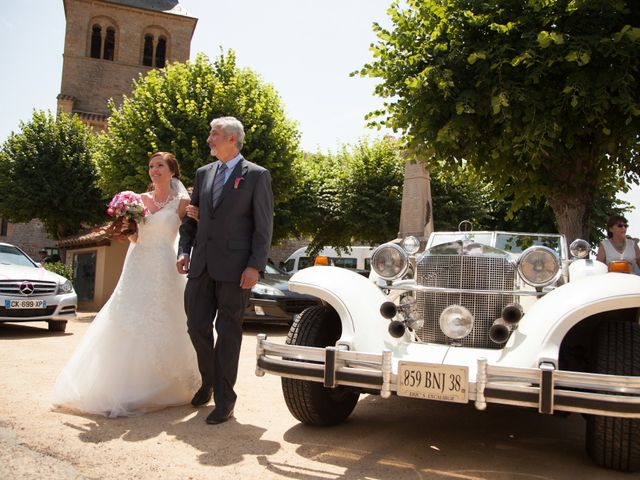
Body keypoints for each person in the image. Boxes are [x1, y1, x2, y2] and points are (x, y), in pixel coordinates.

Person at [52, 152, 200, 417]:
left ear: (172, 171)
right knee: (125, 316)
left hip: (165, 265)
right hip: (137, 263)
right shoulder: (138, 200)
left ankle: (164, 385)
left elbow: (188, 233)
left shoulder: (183, 202)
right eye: (151, 166)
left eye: (160, 166)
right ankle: (119, 388)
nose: (154, 170)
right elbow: (134, 237)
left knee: (166, 319)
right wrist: (128, 231)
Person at [177, 116, 273, 425]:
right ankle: (208, 381)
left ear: (232, 138)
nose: (209, 139)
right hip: (201, 264)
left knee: (229, 333)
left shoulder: (257, 176)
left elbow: (263, 226)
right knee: (195, 327)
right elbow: (192, 218)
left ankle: (224, 398)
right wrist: (183, 250)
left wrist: (255, 266)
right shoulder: (203, 174)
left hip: (236, 269)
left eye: (214, 134)